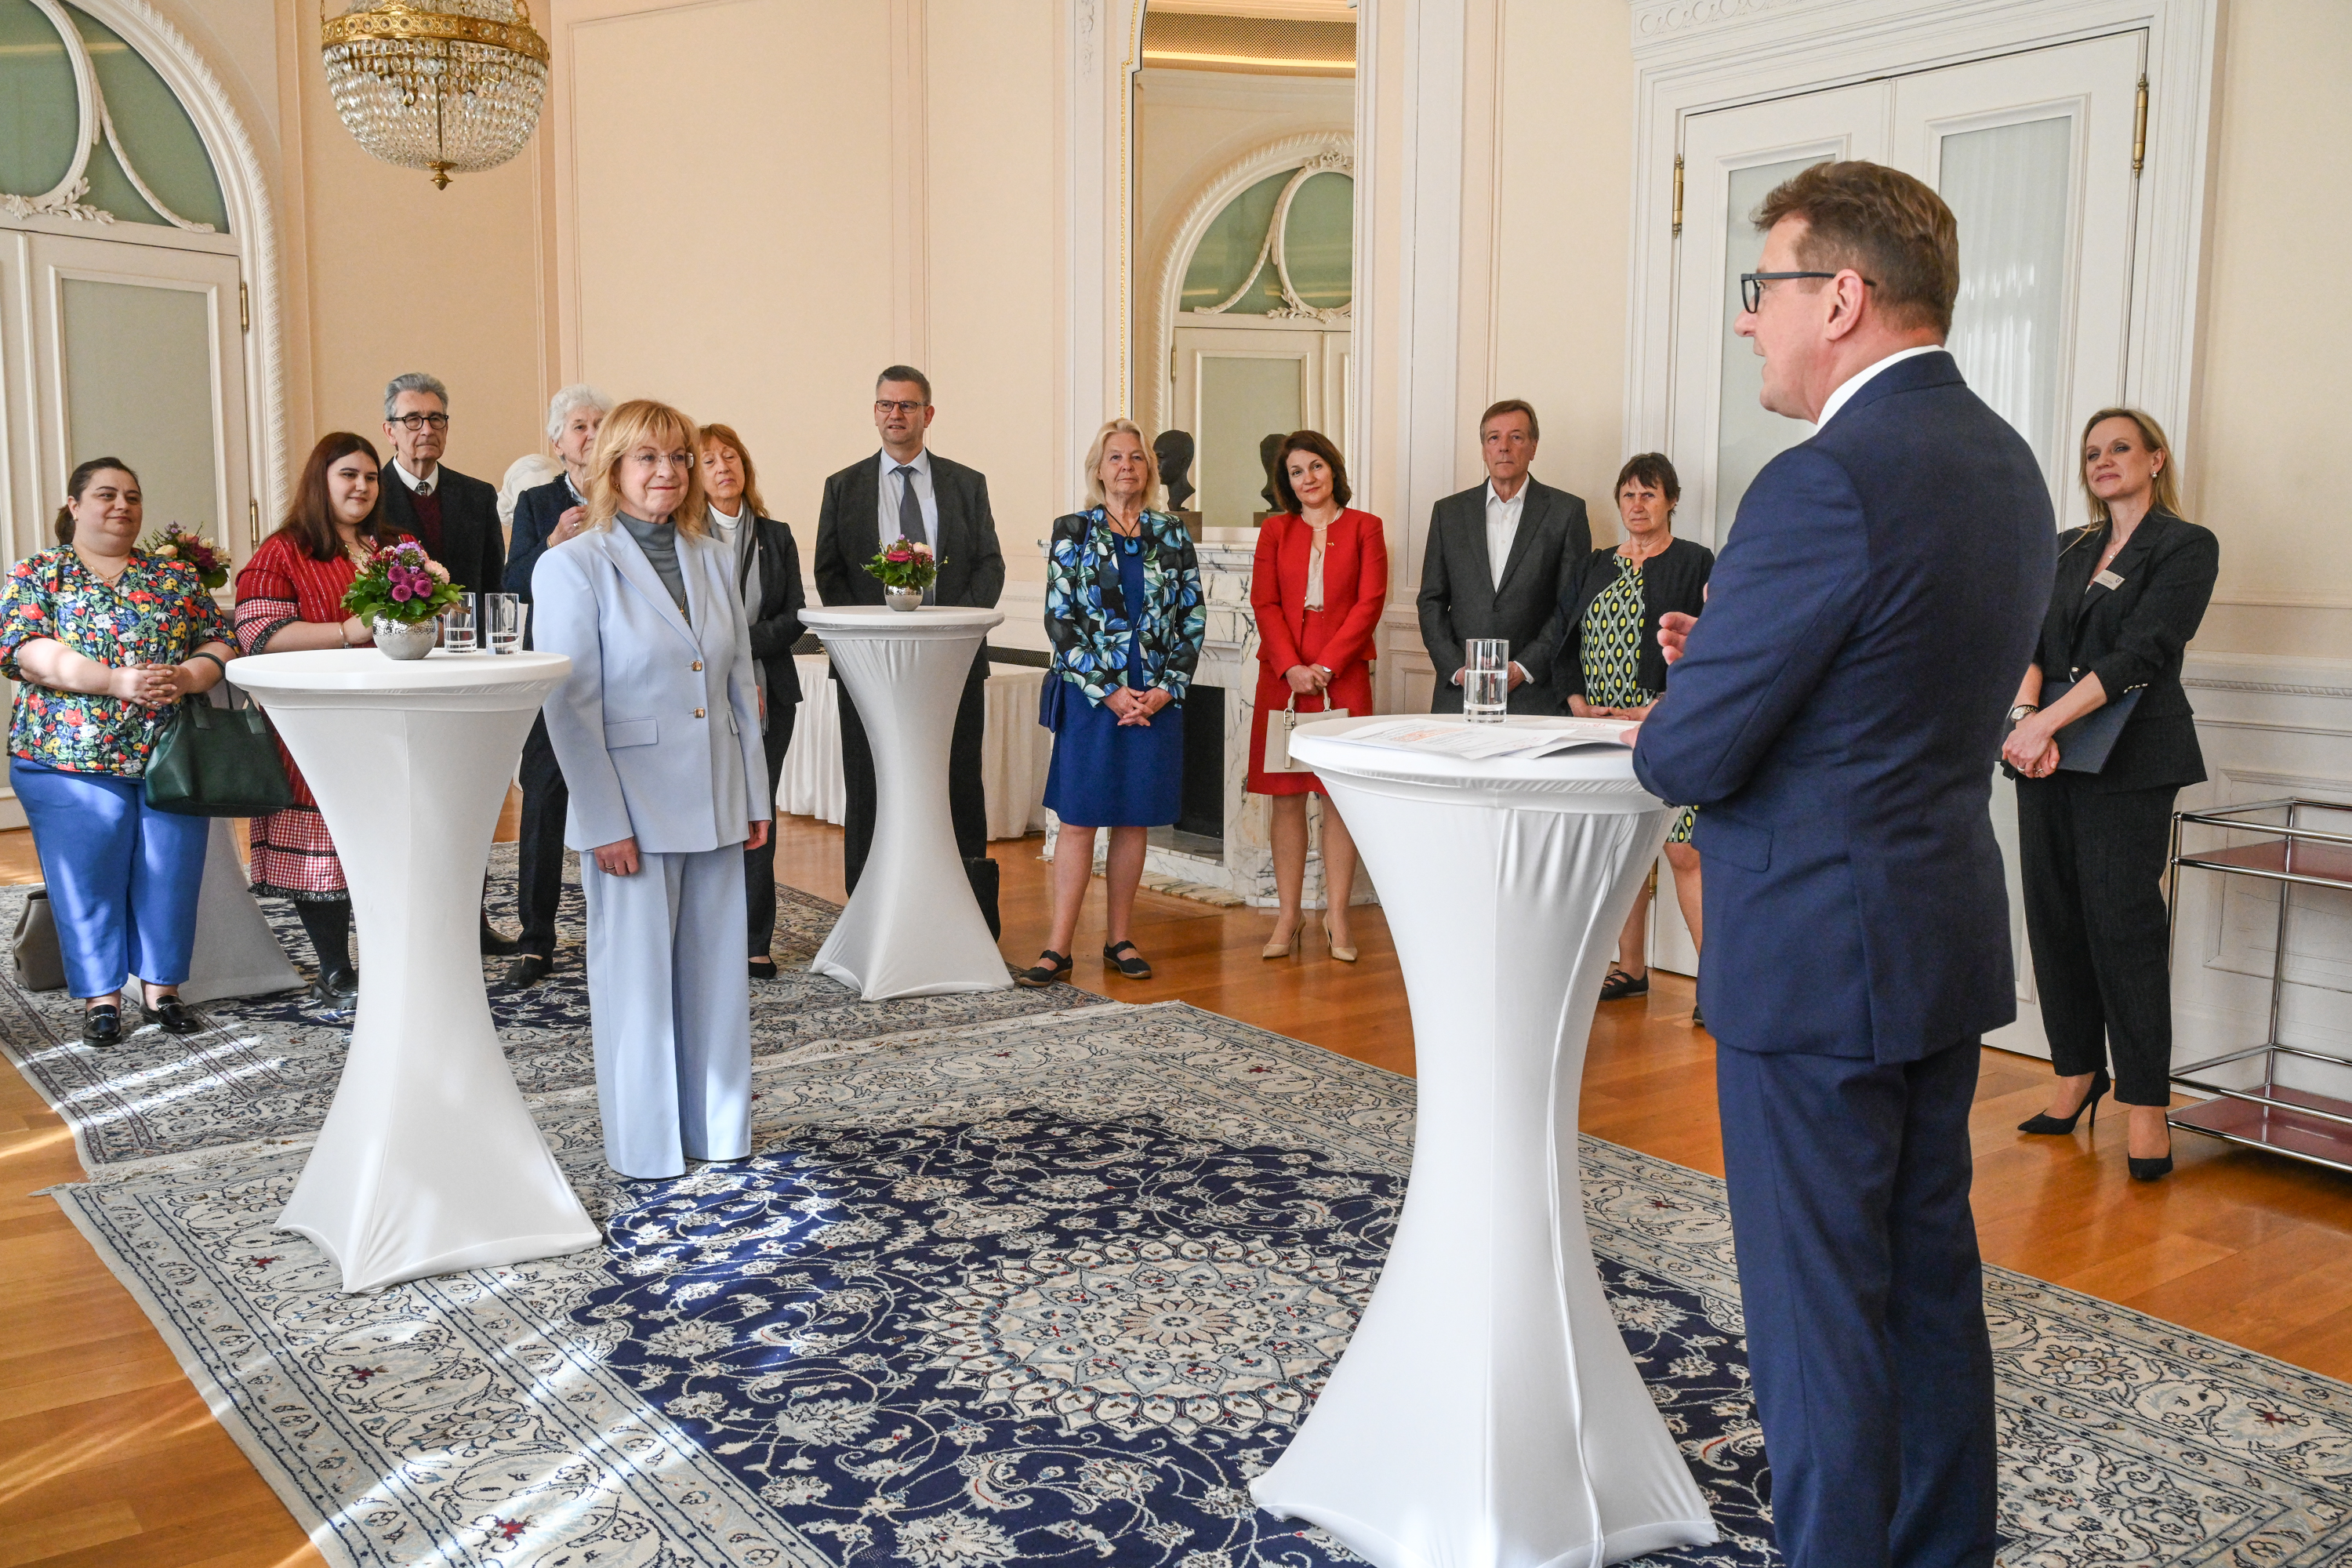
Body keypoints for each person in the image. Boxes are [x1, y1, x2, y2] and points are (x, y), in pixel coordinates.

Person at [1629, 161, 2053, 1568]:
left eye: (1768, 289)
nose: (1753, 321)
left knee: (1817, 1325)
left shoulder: (1823, 482)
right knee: (1927, 1287)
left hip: (1814, 960)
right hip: (1932, 937)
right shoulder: (2004, 461)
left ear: (1845, 298)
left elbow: (1683, 763)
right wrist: (1734, 660)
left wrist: (1699, 692)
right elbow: (1891, 681)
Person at [532, 399, 771, 1180]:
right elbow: (571, 706)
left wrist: (757, 797)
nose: (667, 472)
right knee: (637, 988)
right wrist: (602, 821)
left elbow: (738, 683)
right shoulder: (572, 564)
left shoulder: (709, 552)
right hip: (630, 808)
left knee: (715, 980)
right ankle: (647, 1148)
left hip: (715, 794)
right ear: (612, 469)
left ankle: (719, 1129)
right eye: (648, 458)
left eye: (678, 457)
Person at [2003, 408, 2217, 1182]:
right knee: (2055, 916)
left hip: (2131, 757)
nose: (2104, 460)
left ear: (2155, 458)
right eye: (2091, 450)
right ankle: (2074, 1073)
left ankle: (2147, 1105)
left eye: (2120, 446)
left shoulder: (2187, 545)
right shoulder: (2067, 546)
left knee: (2121, 924)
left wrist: (2043, 722)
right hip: (2047, 754)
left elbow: (2144, 652)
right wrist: (2025, 721)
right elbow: (2029, 640)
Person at [0, 458, 236, 1045]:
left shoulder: (174, 580)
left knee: (171, 870)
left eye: (133, 496)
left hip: (170, 755)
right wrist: (112, 681)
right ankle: (101, 999)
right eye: (106, 495)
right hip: (66, 757)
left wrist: (187, 674)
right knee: (88, 876)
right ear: (75, 506)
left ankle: (162, 993)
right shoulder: (38, 574)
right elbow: (24, 650)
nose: (122, 506)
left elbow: (221, 639)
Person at [812, 366, 1007, 931]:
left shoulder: (966, 483)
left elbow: (990, 564)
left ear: (928, 414)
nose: (895, 415)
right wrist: (870, 640)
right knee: (870, 782)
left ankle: (968, 913)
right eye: (885, 405)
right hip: (869, 669)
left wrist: (954, 629)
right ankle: (869, 908)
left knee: (957, 783)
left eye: (907, 406)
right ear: (874, 412)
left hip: (953, 665)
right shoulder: (843, 486)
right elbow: (830, 573)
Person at [1017, 420, 1204, 988]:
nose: (1127, 466)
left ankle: (1119, 938)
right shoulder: (1072, 530)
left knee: (1132, 821)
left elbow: (1191, 618)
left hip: (1155, 703)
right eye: (1115, 457)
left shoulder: (1172, 535)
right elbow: (1060, 620)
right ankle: (1057, 948)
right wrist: (1109, 690)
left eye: (1137, 458)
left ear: (1148, 470)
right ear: (1098, 469)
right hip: (1093, 701)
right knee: (1077, 821)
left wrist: (1166, 687)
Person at [234, 434, 417, 1001]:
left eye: (370, 477)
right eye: (348, 475)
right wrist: (346, 632)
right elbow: (258, 635)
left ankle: (399, 956)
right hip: (316, 726)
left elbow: (421, 612)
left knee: (394, 843)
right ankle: (335, 966)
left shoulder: (397, 545)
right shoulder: (284, 551)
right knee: (327, 845)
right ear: (322, 481)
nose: (361, 486)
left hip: (394, 718)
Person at [1561, 453, 1711, 1011]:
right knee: (1621, 852)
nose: (1637, 505)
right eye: (1628, 494)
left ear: (1671, 500)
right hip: (1601, 731)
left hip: (1668, 727)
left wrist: (1667, 702)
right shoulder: (1595, 563)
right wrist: (1575, 699)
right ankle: (1630, 968)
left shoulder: (1696, 561)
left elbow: (1712, 642)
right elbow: (1566, 638)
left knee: (1683, 851)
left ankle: (1714, 986)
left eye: (1649, 494)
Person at [375, 370, 517, 956]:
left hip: (462, 667)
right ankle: (401, 926)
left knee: (467, 798)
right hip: (393, 670)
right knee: (404, 804)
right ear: (389, 430)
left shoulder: (477, 495)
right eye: (413, 420)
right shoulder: (368, 493)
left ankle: (470, 919)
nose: (425, 430)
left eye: (436, 419)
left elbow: (491, 584)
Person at [1245, 430, 1387, 962]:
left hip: (1342, 676)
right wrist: (1292, 666)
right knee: (1286, 797)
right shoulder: (1275, 531)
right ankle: (1288, 917)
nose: (1307, 479)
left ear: (1334, 469)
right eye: (1296, 472)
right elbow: (1266, 603)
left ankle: (1337, 917)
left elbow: (1370, 602)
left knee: (1337, 798)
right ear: (1287, 482)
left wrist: (1327, 665)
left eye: (1316, 467)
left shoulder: (1365, 528)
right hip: (1282, 680)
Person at [499, 384, 612, 986]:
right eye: (579, 426)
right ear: (557, 441)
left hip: (621, 676)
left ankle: (619, 929)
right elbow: (513, 583)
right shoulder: (538, 503)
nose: (590, 434)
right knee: (543, 800)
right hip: (556, 673)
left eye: (600, 424)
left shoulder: (630, 494)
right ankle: (536, 939)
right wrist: (551, 545)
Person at [700, 422, 807, 979]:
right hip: (703, 697)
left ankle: (754, 939)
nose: (724, 467)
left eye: (731, 456)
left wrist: (739, 643)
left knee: (757, 813)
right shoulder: (684, 536)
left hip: (772, 693)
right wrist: (727, 651)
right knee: (714, 812)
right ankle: (709, 931)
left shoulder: (776, 534)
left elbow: (795, 617)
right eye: (711, 459)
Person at [1416, 400, 1589, 714]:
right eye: (1493, 438)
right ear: (1484, 448)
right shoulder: (1449, 513)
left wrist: (1523, 667)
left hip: (1534, 695)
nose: (1504, 447)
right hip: (1460, 694)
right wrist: (1457, 670)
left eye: (1517, 437)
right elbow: (1431, 601)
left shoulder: (1567, 513)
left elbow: (1571, 605)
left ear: (1534, 446)